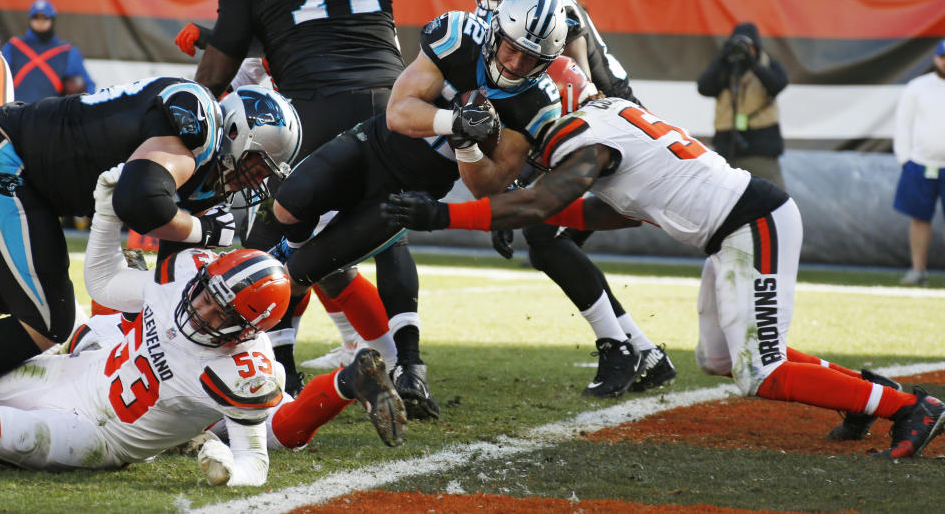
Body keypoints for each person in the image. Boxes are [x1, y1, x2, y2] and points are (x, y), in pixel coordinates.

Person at [384, 93, 945, 460]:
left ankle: (909, 408)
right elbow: (607, 212)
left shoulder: (583, 143)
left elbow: (546, 198)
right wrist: (518, 209)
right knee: (721, 359)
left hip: (752, 224)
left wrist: (451, 215)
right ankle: (870, 394)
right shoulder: (605, 125)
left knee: (759, 370)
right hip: (734, 229)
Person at [266, 0, 582, 415]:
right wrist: (455, 119)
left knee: (299, 273)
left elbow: (487, 187)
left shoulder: (538, 103)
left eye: (531, 59)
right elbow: (398, 112)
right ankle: (356, 347)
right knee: (289, 202)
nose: (515, 63)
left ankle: (279, 357)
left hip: (409, 191)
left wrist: (467, 143)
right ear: (495, 33)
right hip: (371, 147)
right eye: (511, 48)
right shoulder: (457, 36)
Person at [0, 169, 405, 480]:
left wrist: (230, 471)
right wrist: (106, 212)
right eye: (207, 297)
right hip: (81, 373)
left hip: (99, 436)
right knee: (53, 334)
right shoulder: (185, 273)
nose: (202, 312)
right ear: (205, 278)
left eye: (222, 315)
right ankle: (346, 383)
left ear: (247, 331)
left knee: (11, 432)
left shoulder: (244, 371)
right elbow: (106, 283)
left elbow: (256, 464)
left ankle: (346, 383)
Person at [186, 0, 460, 405]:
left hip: (312, 110)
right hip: (392, 103)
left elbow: (223, 60)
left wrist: (191, 122)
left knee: (281, 235)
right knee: (391, 232)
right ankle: (410, 367)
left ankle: (276, 367)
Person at [470, 0, 676, 396]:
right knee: (547, 241)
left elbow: (574, 97)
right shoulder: (502, 18)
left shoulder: (553, 11)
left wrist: (516, 193)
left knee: (544, 236)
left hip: (612, 133)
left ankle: (619, 349)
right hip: (582, 137)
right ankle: (643, 350)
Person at [0, 79, 301, 381]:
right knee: (48, 320)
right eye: (257, 167)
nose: (255, 181)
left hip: (25, 174)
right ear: (236, 133)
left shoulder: (206, 174)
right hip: (8, 158)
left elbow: (170, 282)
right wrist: (203, 230)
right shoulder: (197, 128)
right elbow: (138, 201)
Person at [697, 22, 788, 190]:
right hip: (726, 148)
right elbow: (704, 88)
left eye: (747, 46)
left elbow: (778, 84)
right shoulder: (725, 69)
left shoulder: (768, 65)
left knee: (772, 196)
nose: (742, 51)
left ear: (757, 47)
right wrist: (722, 58)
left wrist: (752, 63)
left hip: (761, 150)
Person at [892, 40, 945, 287]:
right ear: (935, 59)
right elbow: (903, 124)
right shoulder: (918, 87)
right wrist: (905, 159)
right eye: (943, 57)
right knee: (919, 219)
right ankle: (917, 270)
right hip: (921, 165)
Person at [0, 0, 96, 104]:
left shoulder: (66, 51)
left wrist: (83, 107)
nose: (40, 22)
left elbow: (88, 85)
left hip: (51, 114)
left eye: (45, 18)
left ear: (52, 20)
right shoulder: (14, 46)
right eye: (36, 18)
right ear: (30, 20)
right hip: (17, 112)